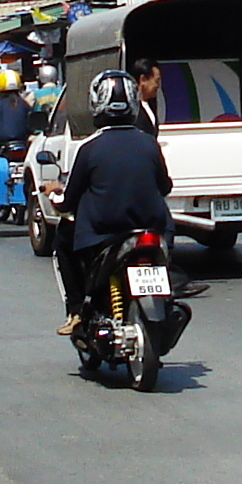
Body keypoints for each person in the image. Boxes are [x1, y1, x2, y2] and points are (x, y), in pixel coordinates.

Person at [53, 67, 174, 337]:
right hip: (151, 229)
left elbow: (69, 200)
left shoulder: (89, 149)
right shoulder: (148, 144)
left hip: (103, 234)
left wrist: (56, 196)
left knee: (63, 239)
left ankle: (75, 311)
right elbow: (165, 186)